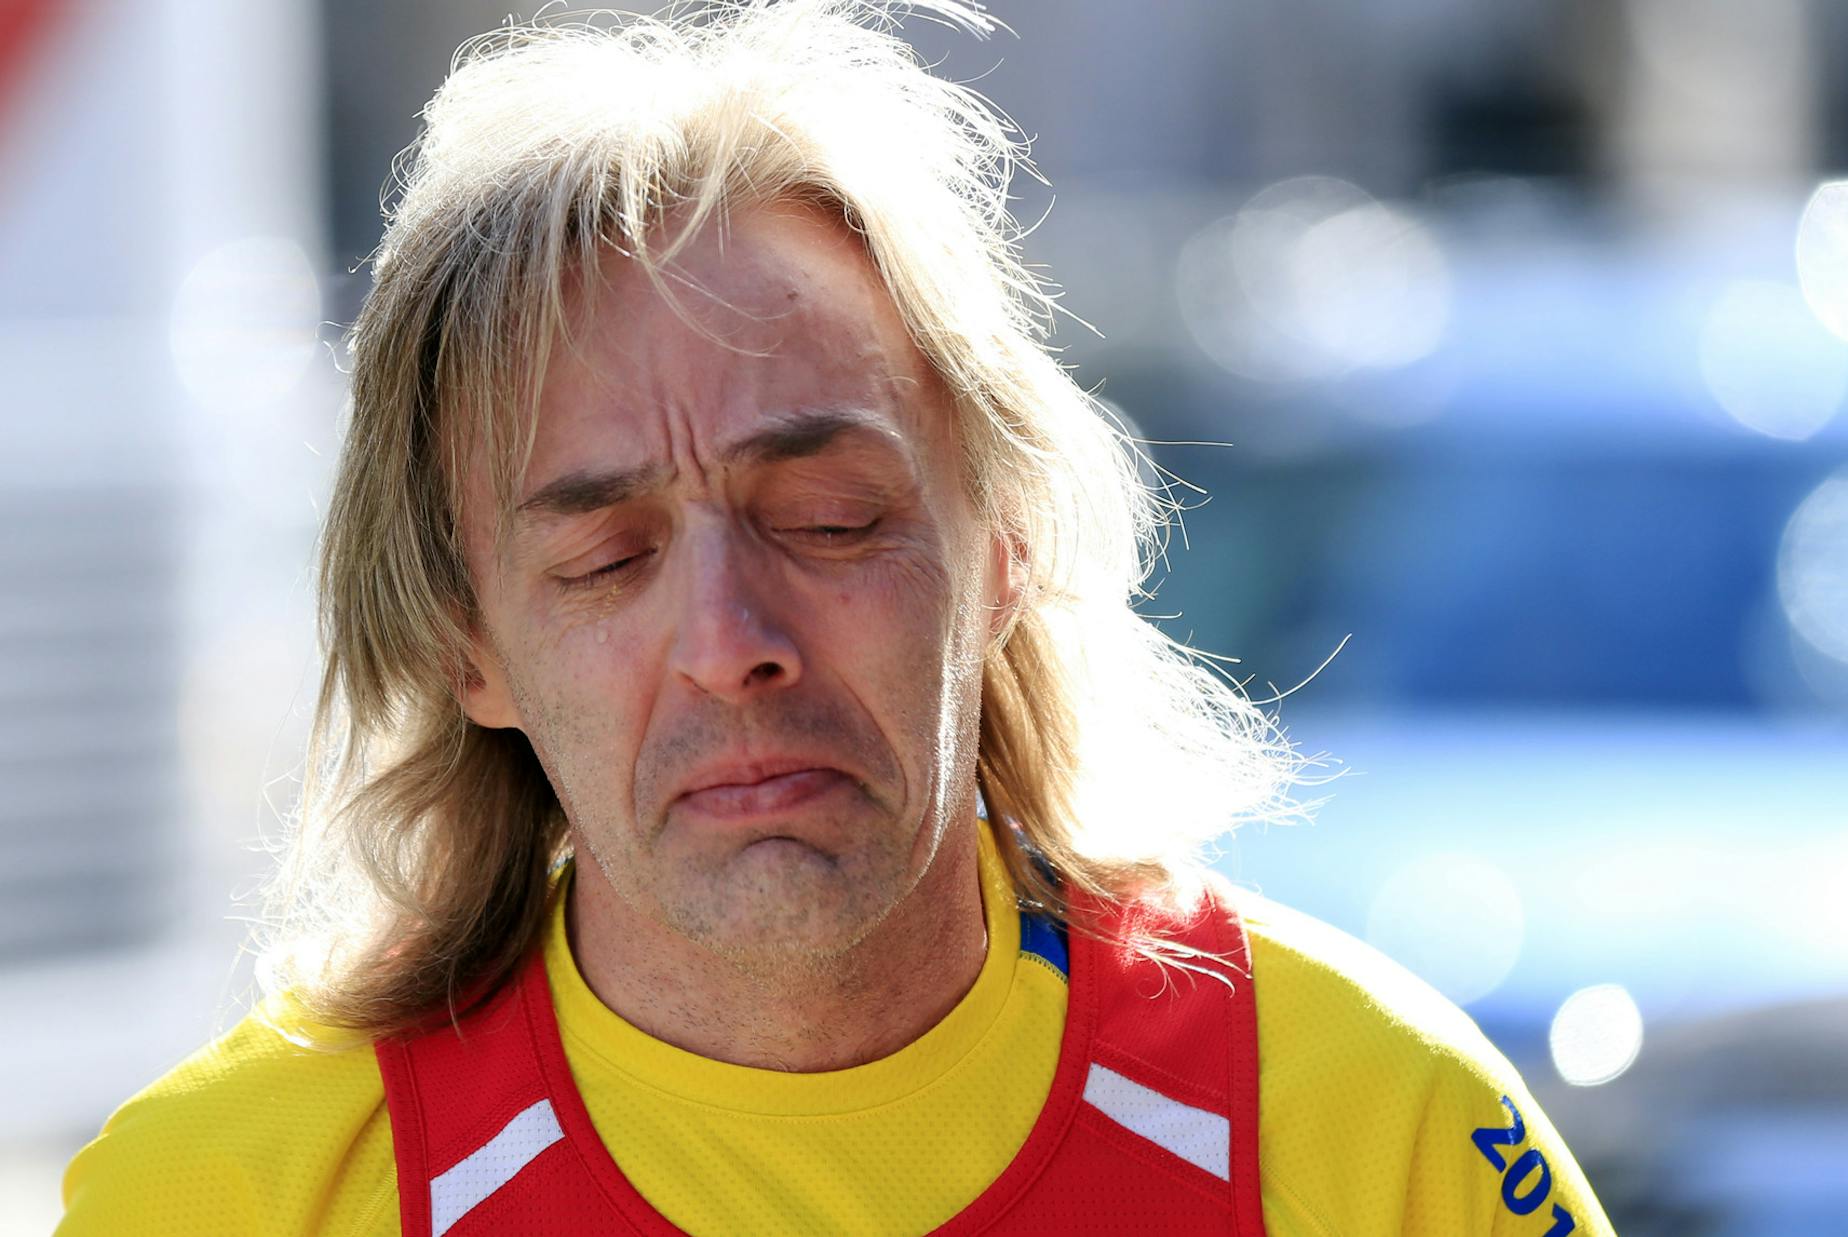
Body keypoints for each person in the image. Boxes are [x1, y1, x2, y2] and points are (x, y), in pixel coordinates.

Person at [59, 3, 1614, 1233]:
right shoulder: (229, 1201)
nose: (732, 635)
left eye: (828, 518)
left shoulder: (1376, 1135)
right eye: (605, 556)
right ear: (468, 643)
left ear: (1004, 542)